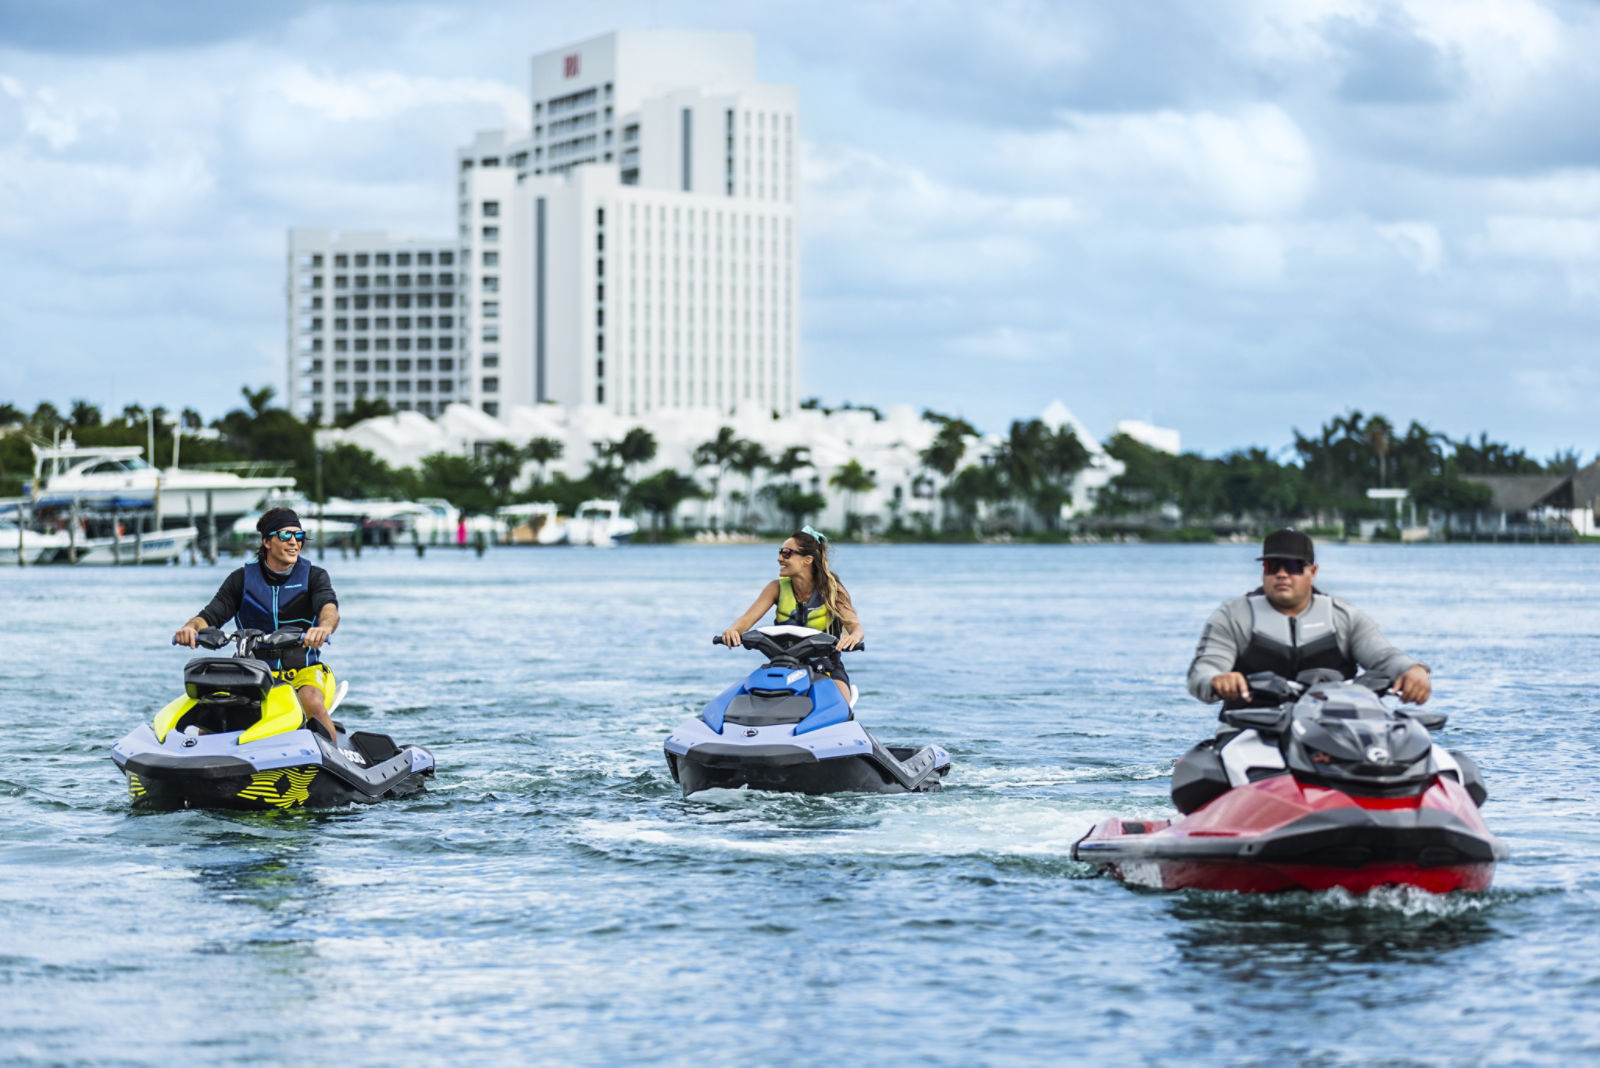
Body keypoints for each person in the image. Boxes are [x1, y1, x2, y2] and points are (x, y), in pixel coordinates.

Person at [1187, 528, 1431, 706]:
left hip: (1332, 730)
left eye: (1292, 567)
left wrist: (1413, 670)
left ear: (1312, 572)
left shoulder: (1344, 617)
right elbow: (1203, 670)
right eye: (1272, 567)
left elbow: (1383, 657)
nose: (1282, 575)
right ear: (1264, 572)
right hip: (1250, 729)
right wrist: (1218, 679)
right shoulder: (1232, 616)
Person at [173, 507, 342, 741]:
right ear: (267, 541)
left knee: (311, 700)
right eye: (285, 535)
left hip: (304, 672)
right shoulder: (240, 580)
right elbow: (209, 616)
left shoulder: (314, 577)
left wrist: (324, 628)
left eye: (299, 536)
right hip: (250, 673)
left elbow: (329, 608)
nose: (294, 542)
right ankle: (204, 761)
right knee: (214, 710)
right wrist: (190, 629)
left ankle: (332, 758)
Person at [720, 527, 864, 704]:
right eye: (780, 552)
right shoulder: (776, 588)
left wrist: (855, 636)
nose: (780, 558)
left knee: (841, 705)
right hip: (783, 667)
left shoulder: (833, 590)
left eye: (787, 553)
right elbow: (746, 620)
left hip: (826, 666)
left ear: (807, 560)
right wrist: (732, 630)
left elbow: (854, 625)